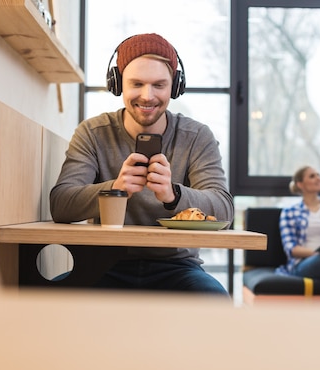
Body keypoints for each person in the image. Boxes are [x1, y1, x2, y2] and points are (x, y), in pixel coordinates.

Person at [50, 33, 233, 295]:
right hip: (102, 263)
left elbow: (224, 210)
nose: (147, 96)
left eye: (159, 85)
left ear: (175, 86)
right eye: (137, 83)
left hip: (178, 267)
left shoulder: (196, 137)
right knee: (48, 301)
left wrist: (173, 194)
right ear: (118, 84)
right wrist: (115, 188)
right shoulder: (92, 132)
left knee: (214, 300)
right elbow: (61, 204)